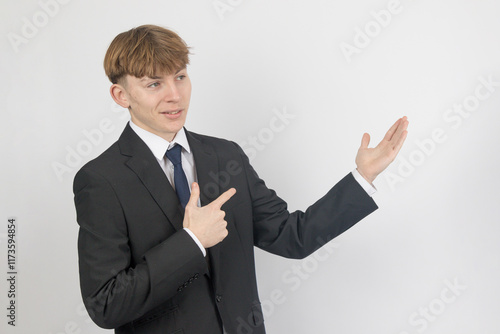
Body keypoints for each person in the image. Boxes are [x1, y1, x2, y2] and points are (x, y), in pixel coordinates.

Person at [73, 24, 408, 334]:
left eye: (180, 77)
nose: (174, 95)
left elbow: (293, 236)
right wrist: (191, 241)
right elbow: (106, 305)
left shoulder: (226, 156)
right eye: (154, 84)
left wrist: (363, 176)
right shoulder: (101, 180)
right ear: (121, 96)